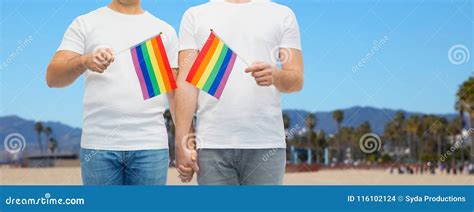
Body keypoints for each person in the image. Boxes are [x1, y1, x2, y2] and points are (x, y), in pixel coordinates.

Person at [46, 0, 178, 185]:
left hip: (151, 147)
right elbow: (53, 78)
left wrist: (183, 143)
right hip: (98, 148)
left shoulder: (165, 31)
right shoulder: (85, 23)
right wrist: (84, 61)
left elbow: (173, 94)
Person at [174, 0, 304, 185]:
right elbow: (186, 83)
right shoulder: (194, 16)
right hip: (211, 145)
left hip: (265, 144)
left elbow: (297, 80)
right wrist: (182, 142)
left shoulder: (283, 15)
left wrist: (276, 76)